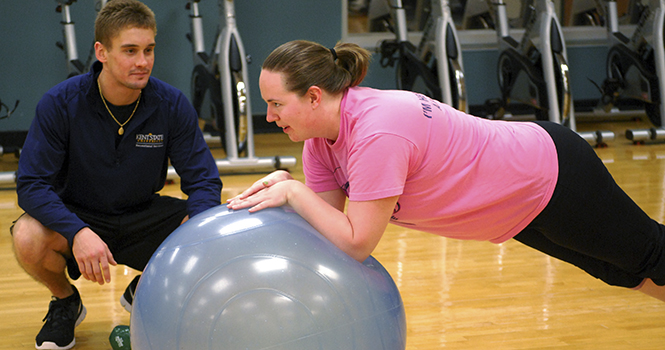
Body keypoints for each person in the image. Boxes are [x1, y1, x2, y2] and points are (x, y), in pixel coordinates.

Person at [228, 39, 665, 305]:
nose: (267, 116)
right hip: (517, 208)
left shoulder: (377, 132)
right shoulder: (320, 144)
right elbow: (332, 235)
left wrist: (295, 195)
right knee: (623, 271)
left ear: (314, 97)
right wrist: (292, 185)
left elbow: (358, 242)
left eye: (276, 104)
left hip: (549, 175)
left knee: (649, 255)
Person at [11, 1, 223, 349]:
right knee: (27, 236)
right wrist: (76, 231)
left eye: (149, 50)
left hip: (143, 213)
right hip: (80, 214)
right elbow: (31, 184)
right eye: (130, 51)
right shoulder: (60, 103)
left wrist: (196, 235)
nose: (142, 62)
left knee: (213, 225)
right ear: (102, 52)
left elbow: (203, 181)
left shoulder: (171, 104)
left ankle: (145, 290)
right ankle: (65, 302)